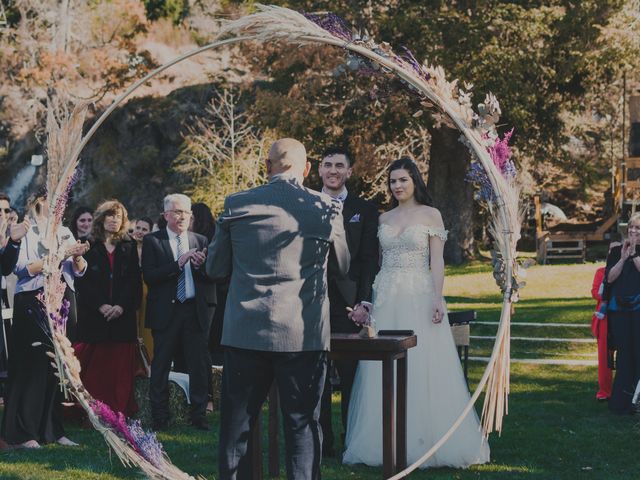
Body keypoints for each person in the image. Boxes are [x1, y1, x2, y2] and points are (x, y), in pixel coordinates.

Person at [207, 138, 350, 480]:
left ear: (267, 166)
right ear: (305, 169)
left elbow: (214, 268)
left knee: (236, 429)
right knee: (301, 426)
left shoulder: (237, 204)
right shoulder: (327, 208)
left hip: (245, 331)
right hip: (303, 333)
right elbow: (343, 266)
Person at [343, 157, 489, 468]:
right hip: (387, 296)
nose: (397, 186)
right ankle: (382, 441)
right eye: (393, 181)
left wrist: (437, 297)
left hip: (419, 294)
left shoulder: (430, 214)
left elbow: (437, 261)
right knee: (383, 364)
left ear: (414, 182)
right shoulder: (383, 219)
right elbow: (378, 263)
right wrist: (369, 300)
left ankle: (429, 438)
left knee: (424, 363)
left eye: (403, 180)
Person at [1, 192, 88, 448]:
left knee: (57, 368)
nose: (59, 206)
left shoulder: (64, 231)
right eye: (54, 200)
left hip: (63, 300)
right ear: (39, 202)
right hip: (33, 299)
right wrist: (61, 254)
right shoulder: (26, 230)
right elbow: (22, 269)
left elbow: (78, 271)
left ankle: (52, 428)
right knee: (32, 367)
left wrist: (78, 256)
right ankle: (24, 431)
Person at [316, 147, 379, 457]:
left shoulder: (364, 210)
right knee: (316, 377)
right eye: (328, 165)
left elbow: (369, 260)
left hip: (349, 308)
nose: (333, 170)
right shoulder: (306, 204)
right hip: (311, 305)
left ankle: (352, 439)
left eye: (340, 165)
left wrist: (364, 302)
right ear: (319, 170)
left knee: (353, 376)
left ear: (350, 171)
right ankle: (322, 442)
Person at [142, 194, 216, 431]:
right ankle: (160, 417)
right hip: (167, 311)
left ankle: (199, 415)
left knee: (198, 365)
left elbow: (211, 277)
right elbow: (150, 277)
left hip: (194, 310)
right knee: (161, 365)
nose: (182, 216)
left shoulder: (201, 240)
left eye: (186, 212)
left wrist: (199, 266)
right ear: (166, 216)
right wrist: (178, 264)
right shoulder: (154, 241)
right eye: (177, 212)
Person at [74, 200, 142, 416]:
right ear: (101, 218)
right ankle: (94, 412)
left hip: (122, 317)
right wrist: (100, 305)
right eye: (110, 215)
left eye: (119, 217)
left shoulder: (129, 245)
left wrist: (121, 306)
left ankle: (119, 411)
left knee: (120, 369)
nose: (114, 220)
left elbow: (134, 281)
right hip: (95, 316)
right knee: (96, 370)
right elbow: (82, 281)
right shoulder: (87, 244)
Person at [605, 213, 640, 414]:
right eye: (632, 228)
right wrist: (623, 257)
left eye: (638, 229)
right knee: (624, 355)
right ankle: (621, 402)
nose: (634, 231)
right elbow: (609, 279)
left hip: (638, 310)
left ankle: (637, 403)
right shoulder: (617, 250)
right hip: (620, 310)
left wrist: (635, 255)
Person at [132, 217, 154, 362]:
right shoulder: (127, 247)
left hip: (147, 288)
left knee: (146, 326)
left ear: (150, 232)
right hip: (131, 288)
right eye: (138, 228)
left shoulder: (152, 249)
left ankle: (148, 360)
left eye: (144, 229)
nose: (140, 232)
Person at [591, 265, 613, 401]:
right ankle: (605, 391)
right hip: (605, 318)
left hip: (627, 316)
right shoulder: (601, 272)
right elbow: (594, 292)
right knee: (604, 357)